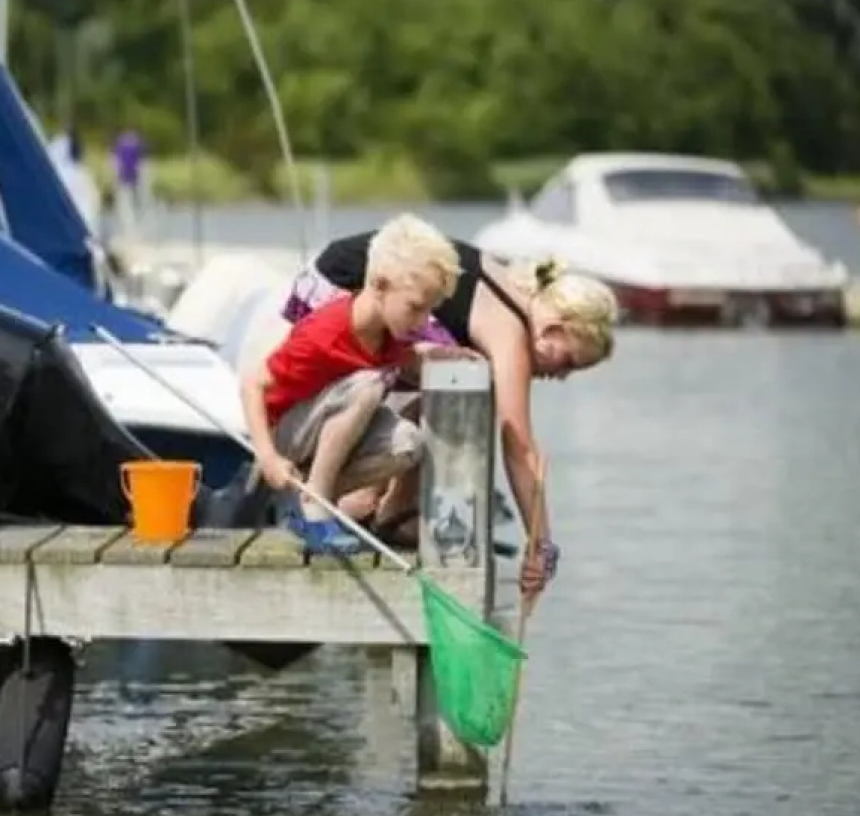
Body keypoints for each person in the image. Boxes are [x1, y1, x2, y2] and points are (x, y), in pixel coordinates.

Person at [284, 228, 619, 594]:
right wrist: (541, 545)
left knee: (461, 372)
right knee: (463, 372)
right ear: (553, 328)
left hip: (336, 273)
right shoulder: (511, 336)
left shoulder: (515, 291)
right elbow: (519, 447)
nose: (561, 376)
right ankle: (353, 498)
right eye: (567, 360)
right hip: (343, 289)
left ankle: (395, 506)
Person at [240, 214, 463, 556]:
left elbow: (406, 359)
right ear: (378, 285)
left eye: (429, 311)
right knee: (369, 385)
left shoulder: (390, 333)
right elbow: (253, 383)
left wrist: (445, 356)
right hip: (284, 434)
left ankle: (310, 499)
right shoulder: (326, 331)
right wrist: (268, 457)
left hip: (321, 439)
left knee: (408, 444)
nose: (423, 321)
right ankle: (317, 504)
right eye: (416, 308)